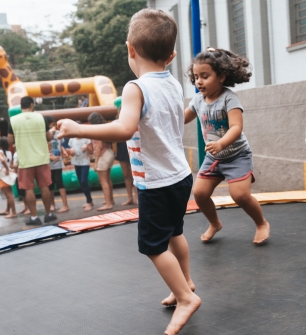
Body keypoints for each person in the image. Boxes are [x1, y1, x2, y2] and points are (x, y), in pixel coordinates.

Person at [56, 9, 200, 335]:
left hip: (157, 182)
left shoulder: (136, 87)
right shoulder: (173, 83)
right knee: (175, 233)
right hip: (180, 176)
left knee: (152, 245)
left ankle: (185, 297)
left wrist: (79, 128)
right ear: (172, 55)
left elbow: (124, 128)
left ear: (130, 49)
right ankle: (186, 282)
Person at [184, 47, 271, 245]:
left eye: (205, 76)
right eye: (196, 76)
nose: (199, 81)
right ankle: (215, 223)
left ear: (221, 76)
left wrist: (221, 143)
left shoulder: (229, 98)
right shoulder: (198, 100)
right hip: (214, 157)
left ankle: (261, 223)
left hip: (236, 155)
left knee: (240, 195)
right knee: (199, 193)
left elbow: (236, 127)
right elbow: (182, 118)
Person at [8, 96, 57, 226]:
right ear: (32, 105)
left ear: (21, 107)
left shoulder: (13, 120)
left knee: (28, 189)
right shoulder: (40, 117)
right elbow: (48, 137)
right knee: (45, 186)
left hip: (25, 161)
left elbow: (10, 140)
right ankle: (48, 214)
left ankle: (34, 217)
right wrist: (50, 134)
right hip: (41, 158)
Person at [87, 112, 115, 211]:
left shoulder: (97, 130)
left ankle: (108, 204)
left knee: (103, 181)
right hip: (109, 153)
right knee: (107, 179)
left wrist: (96, 162)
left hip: (103, 155)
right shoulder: (104, 128)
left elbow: (99, 146)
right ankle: (110, 200)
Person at [46, 116, 70, 213]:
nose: (54, 127)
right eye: (52, 125)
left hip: (58, 163)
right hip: (48, 164)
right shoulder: (44, 135)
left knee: (59, 182)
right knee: (50, 185)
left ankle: (65, 205)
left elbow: (61, 145)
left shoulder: (58, 134)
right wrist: (50, 157)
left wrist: (63, 151)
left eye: (55, 125)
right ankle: (52, 204)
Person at [68, 124, 94, 212]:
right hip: (76, 163)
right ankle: (89, 199)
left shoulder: (86, 139)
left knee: (83, 181)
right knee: (81, 182)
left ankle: (89, 202)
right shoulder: (72, 139)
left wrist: (87, 148)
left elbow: (91, 151)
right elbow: (70, 153)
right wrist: (71, 152)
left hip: (85, 163)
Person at [0, 138, 16, 218]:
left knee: (8, 195)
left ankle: (13, 212)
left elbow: (2, 161)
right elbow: (10, 164)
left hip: (3, 173)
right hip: (8, 174)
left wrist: (7, 169)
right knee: (9, 193)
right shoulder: (9, 152)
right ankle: (7, 209)